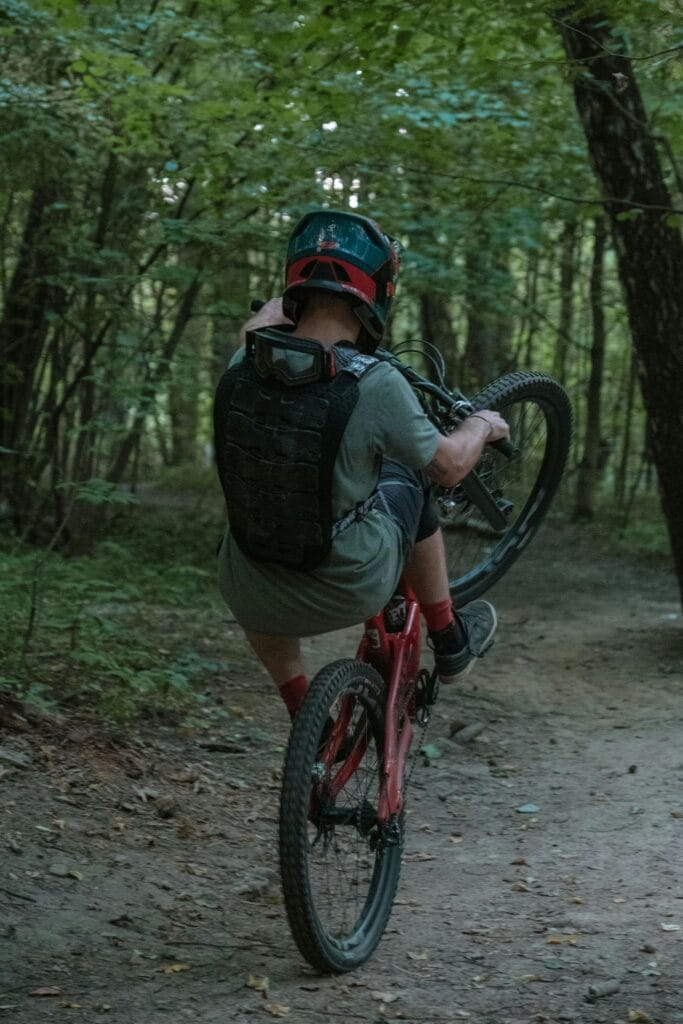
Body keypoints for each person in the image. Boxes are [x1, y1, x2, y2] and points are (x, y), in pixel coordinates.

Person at [214, 209, 509, 720]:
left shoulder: (242, 365)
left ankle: (308, 721)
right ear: (379, 290)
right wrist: (482, 425)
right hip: (348, 588)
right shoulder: (375, 383)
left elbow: (253, 330)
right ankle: (450, 637)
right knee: (416, 476)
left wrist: (279, 311)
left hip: (248, 591)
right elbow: (451, 467)